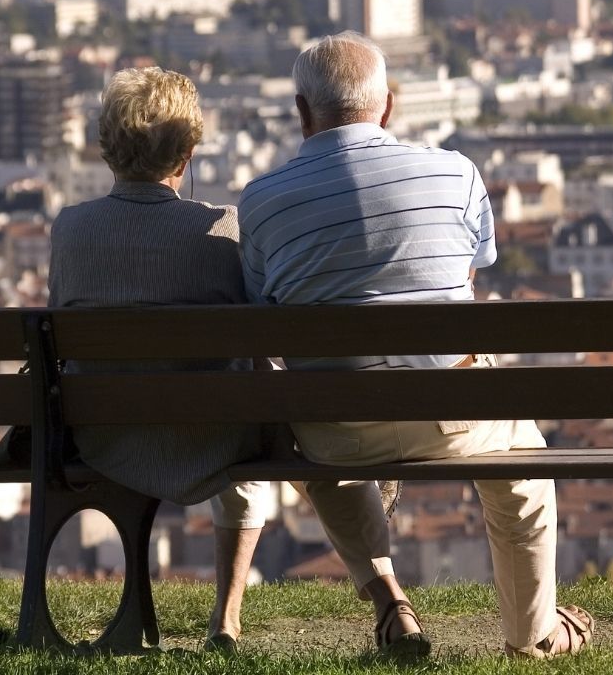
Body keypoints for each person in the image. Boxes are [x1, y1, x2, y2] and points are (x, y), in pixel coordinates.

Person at [237, 32, 594, 659]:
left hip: (338, 427)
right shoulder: (455, 173)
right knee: (525, 480)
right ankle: (533, 634)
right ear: (389, 105)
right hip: (452, 413)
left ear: (301, 112)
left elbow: (266, 313)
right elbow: (467, 279)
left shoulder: (261, 204)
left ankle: (391, 603)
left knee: (321, 459)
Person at [49, 66, 269, 654]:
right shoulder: (222, 228)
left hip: (104, 434)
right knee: (244, 430)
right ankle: (226, 618)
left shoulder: (71, 230)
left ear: (106, 147)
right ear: (188, 152)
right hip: (212, 438)